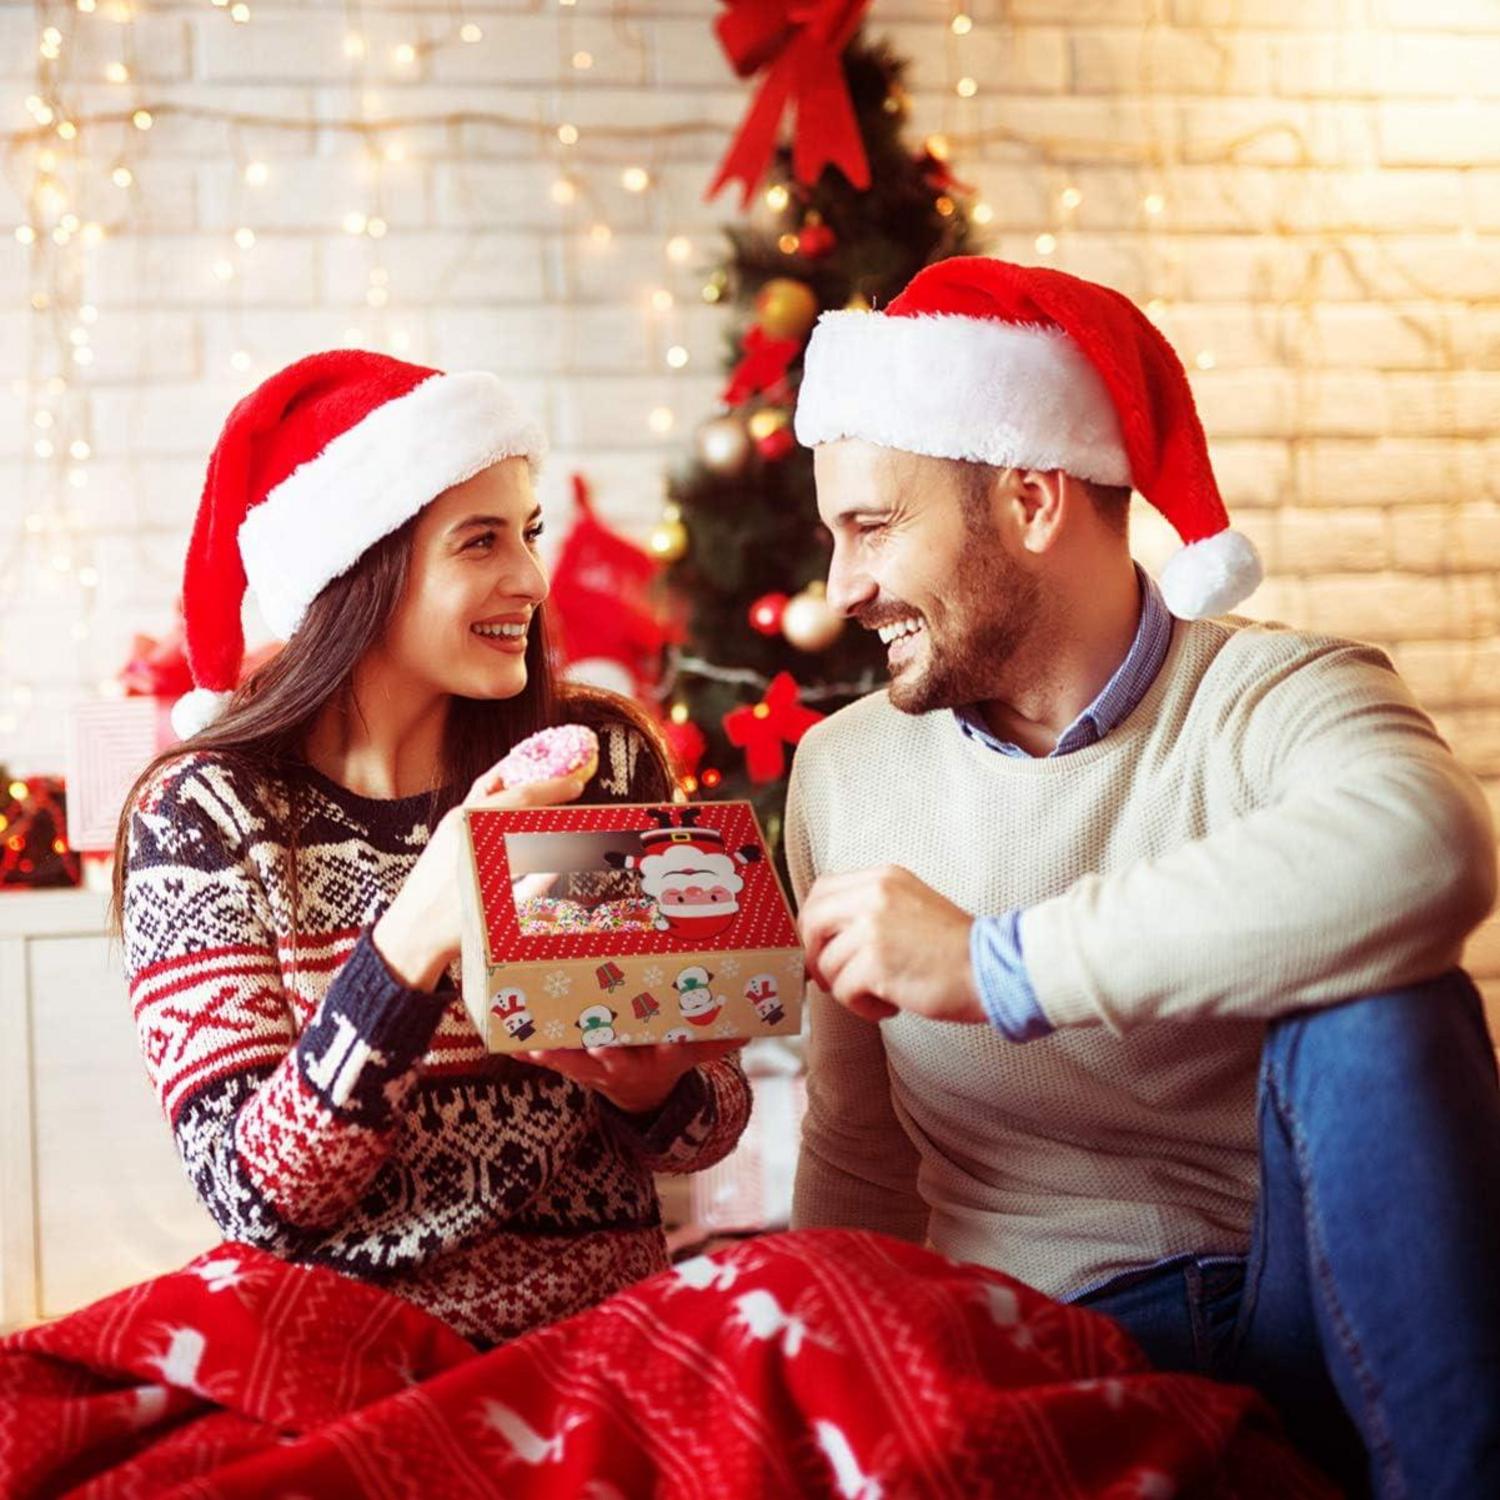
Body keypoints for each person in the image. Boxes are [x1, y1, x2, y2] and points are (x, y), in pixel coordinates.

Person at [783, 256, 1500, 1498]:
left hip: (1321, 1309)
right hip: (1042, 1340)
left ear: (1031, 500)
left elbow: (1429, 845)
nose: (843, 587)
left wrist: (996, 966)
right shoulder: (844, 772)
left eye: (874, 527)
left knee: (1389, 1000)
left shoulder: (1275, 693)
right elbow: (856, 1144)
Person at [113, 351, 749, 1347]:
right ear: (359, 569)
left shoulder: (594, 764)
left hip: (599, 1349)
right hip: (355, 1358)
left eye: (528, 533)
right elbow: (258, 1201)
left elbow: (711, 1125)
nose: (531, 579)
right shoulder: (209, 818)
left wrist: (651, 1088)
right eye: (480, 541)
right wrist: (419, 928)